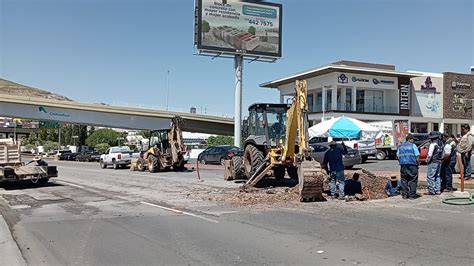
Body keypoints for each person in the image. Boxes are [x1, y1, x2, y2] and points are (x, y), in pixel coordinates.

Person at [397, 134, 420, 199]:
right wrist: (418, 163)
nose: (414, 141)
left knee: (404, 179)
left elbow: (398, 156)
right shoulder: (413, 146)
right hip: (412, 165)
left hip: (403, 165)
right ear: (409, 139)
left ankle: (404, 195)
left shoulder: (400, 146)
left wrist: (401, 163)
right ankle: (412, 195)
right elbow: (417, 156)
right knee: (413, 180)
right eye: (413, 139)